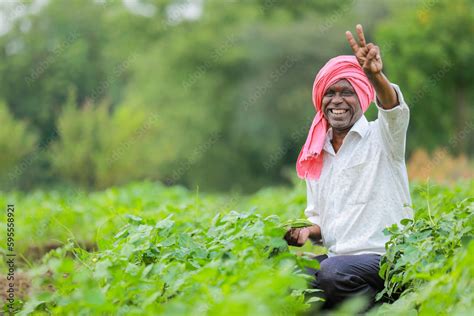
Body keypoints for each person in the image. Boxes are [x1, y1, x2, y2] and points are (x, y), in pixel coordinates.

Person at [284, 24, 413, 309]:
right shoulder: (317, 153)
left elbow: (392, 108)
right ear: (321, 100)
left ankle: (390, 305)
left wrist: (375, 75)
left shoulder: (384, 137)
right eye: (330, 93)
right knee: (289, 278)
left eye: (347, 92)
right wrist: (306, 232)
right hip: (339, 261)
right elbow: (319, 220)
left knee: (333, 274)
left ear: (363, 98)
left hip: (384, 258)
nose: (337, 101)